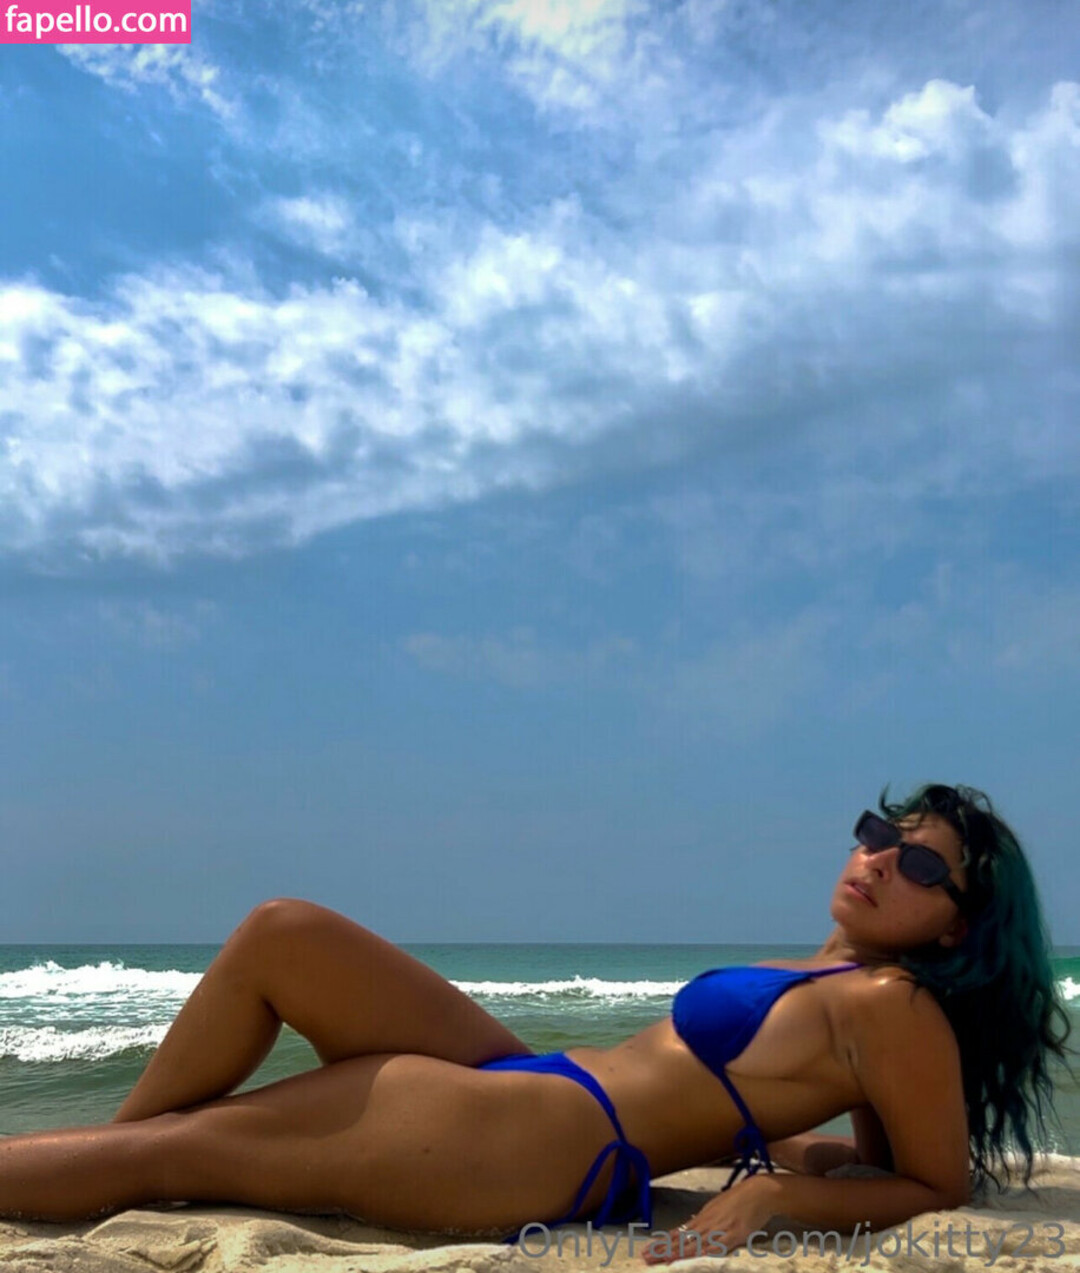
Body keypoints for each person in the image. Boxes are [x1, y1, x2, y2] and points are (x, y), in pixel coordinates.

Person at [0, 784, 1071, 1265]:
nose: (878, 858)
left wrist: (781, 1197)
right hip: (536, 1084)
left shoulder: (896, 1004)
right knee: (285, 932)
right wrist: (803, 1155)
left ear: (957, 925)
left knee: (169, 1151)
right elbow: (829, 1131)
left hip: (531, 1144)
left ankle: (114, 1165)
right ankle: (111, 1162)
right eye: (880, 831)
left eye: (918, 862)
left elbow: (931, 1185)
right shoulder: (835, 978)